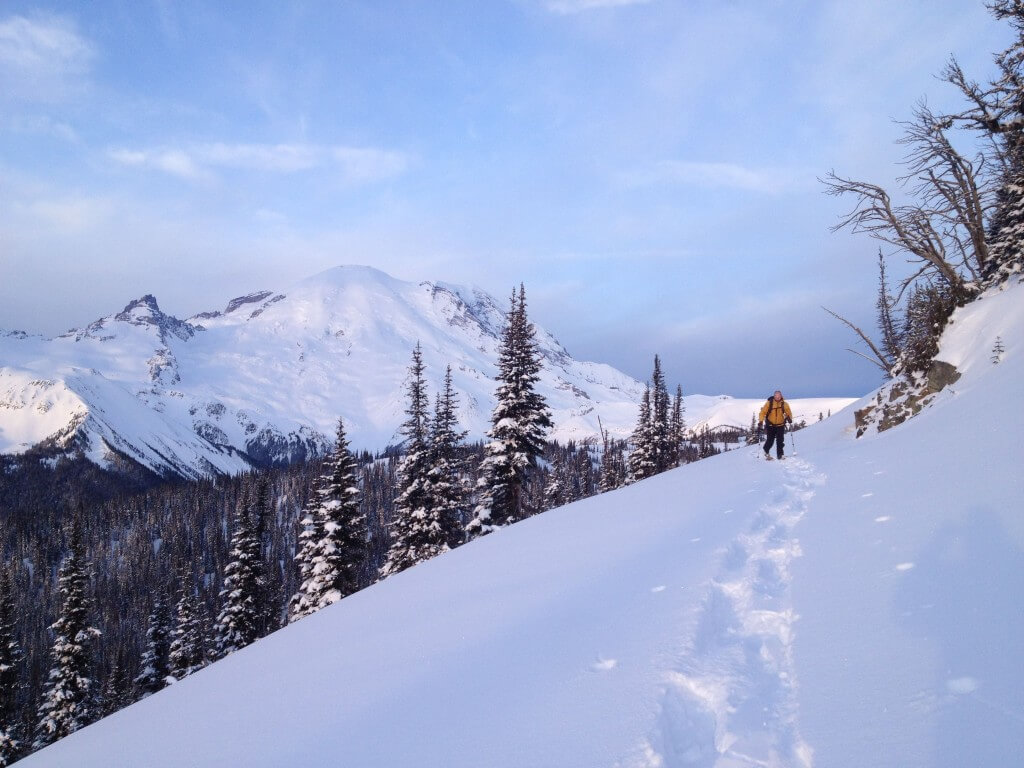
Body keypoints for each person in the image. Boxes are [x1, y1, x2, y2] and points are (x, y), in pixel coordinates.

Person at [758, 390, 793, 460]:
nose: (777, 397)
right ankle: (765, 451)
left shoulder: (784, 404)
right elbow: (762, 412)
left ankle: (780, 455)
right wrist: (761, 421)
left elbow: (788, 412)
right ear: (774, 396)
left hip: (780, 425)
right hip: (770, 425)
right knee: (770, 440)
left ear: (781, 396)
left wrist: (789, 418)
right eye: (776, 396)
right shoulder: (769, 403)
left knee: (780, 440)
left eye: (779, 396)